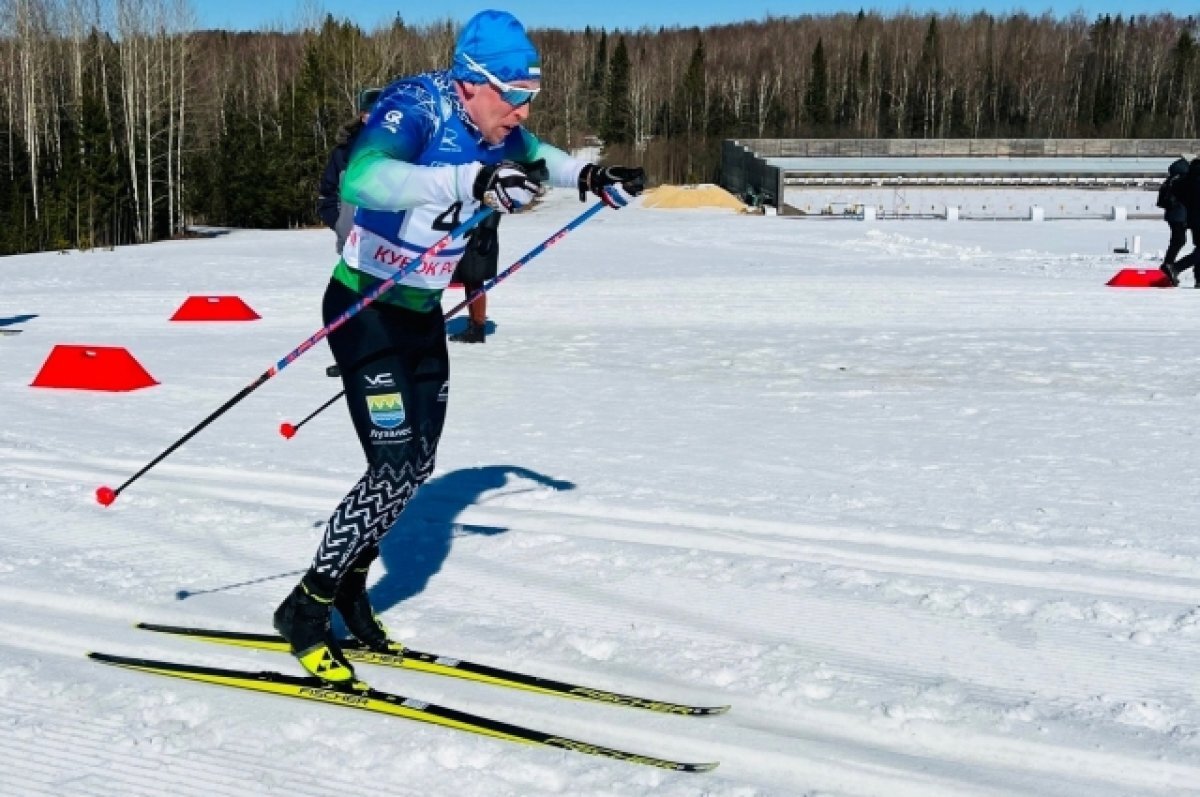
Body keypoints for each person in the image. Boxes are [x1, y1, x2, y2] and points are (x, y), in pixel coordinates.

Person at [273, 9, 646, 690]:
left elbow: (541, 155)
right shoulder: (415, 107)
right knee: (391, 466)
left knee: (417, 465)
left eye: (530, 92)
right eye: (513, 92)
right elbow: (364, 179)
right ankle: (306, 606)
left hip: (421, 313)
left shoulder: (496, 126)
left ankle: (352, 588)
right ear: (471, 84)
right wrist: (468, 181)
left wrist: (591, 179)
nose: (524, 107)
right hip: (366, 307)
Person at [316, 87, 382, 254]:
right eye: (368, 112)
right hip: (352, 247)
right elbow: (326, 194)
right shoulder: (343, 152)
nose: (373, 117)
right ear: (361, 115)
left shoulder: (403, 150)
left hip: (389, 251)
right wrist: (340, 225)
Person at [448, 212, 501, 343]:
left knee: (475, 278)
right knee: (468, 278)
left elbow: (493, 203)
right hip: (464, 230)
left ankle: (477, 326)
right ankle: (475, 323)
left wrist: (488, 229)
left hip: (479, 233)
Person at [1158, 156, 1191, 286]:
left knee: (1177, 241)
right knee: (1179, 241)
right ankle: (1168, 266)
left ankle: (1168, 265)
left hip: (1172, 215)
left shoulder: (1171, 179)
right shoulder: (1182, 180)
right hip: (1180, 214)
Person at [1168, 156, 1200, 287]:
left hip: (1193, 219)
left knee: (1199, 249)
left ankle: (1199, 279)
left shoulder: (1189, 177)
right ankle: (1176, 268)